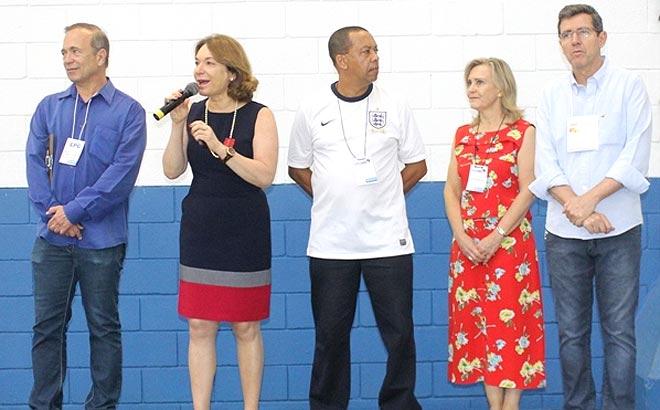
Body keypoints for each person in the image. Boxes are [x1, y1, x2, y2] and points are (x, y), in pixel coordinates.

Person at [287, 26, 427, 410]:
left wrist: (383, 196)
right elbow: (297, 167)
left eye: (376, 50)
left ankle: (399, 404)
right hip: (331, 245)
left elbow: (417, 165)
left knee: (400, 333)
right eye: (366, 51)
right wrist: (331, 196)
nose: (375, 57)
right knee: (330, 337)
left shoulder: (395, 104)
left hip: (388, 241)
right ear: (342, 61)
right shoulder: (312, 107)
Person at [529, 4, 652, 410]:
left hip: (619, 230)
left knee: (620, 334)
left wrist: (590, 200)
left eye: (583, 32)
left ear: (602, 38)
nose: (575, 41)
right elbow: (546, 163)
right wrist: (577, 208)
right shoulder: (551, 96)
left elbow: (634, 156)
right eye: (566, 34)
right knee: (571, 334)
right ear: (560, 44)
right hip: (565, 234)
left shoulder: (629, 86)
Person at [25, 23, 146, 409]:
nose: (67, 59)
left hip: (102, 242)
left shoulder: (129, 112)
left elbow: (121, 176)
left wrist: (74, 211)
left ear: (101, 55)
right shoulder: (49, 107)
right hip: (52, 240)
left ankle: (102, 405)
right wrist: (55, 216)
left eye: (75, 51)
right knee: (46, 328)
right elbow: (34, 164)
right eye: (64, 53)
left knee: (103, 328)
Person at [162, 34, 278, 410]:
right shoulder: (194, 112)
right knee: (200, 325)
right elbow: (172, 170)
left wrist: (219, 148)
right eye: (197, 62)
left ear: (232, 71)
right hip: (201, 228)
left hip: (245, 229)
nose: (200, 69)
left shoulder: (259, 114)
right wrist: (177, 124)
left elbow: (264, 175)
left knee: (246, 325)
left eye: (210, 62)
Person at [444, 57, 546, 410]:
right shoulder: (463, 135)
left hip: (509, 246)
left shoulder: (523, 132)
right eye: (469, 82)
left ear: (500, 88)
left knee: (511, 326)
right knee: (480, 325)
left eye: (480, 82)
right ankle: (494, 405)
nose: (471, 89)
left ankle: (511, 405)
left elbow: (528, 188)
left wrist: (497, 235)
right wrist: (462, 236)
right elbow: (451, 190)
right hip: (469, 248)